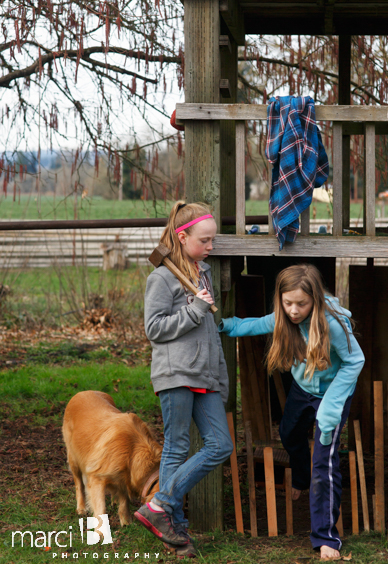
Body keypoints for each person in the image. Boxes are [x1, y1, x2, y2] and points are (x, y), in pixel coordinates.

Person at [220, 264, 364, 560]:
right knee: (288, 433)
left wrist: (331, 407)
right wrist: (223, 325)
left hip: (334, 393)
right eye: (288, 303)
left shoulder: (333, 324)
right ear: (280, 300)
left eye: (302, 303)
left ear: (315, 299)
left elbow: (354, 361)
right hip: (304, 389)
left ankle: (326, 537)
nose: (294, 310)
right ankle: (300, 477)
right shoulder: (284, 317)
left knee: (324, 466)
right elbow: (255, 325)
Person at [134, 202, 232, 559]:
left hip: (205, 374)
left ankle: (159, 505)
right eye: (204, 241)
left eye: (212, 241)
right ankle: (178, 536)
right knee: (175, 449)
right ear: (182, 235)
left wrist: (220, 376)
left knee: (220, 445)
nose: (210, 247)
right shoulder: (162, 277)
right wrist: (193, 310)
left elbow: (210, 332)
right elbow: (154, 329)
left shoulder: (200, 273)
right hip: (175, 374)